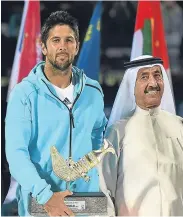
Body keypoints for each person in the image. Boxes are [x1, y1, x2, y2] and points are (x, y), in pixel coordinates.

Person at [5, 11, 107, 216]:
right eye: (55, 40)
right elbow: (16, 154)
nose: (62, 46)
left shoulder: (93, 91)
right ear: (43, 46)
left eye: (69, 40)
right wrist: (46, 196)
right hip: (42, 203)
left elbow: (98, 138)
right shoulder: (25, 94)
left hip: (87, 204)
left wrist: (93, 180)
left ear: (77, 46)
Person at [98, 55, 183, 216]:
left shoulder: (181, 128)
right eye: (144, 77)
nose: (153, 83)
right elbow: (101, 190)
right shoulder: (118, 133)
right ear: (131, 85)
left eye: (157, 75)